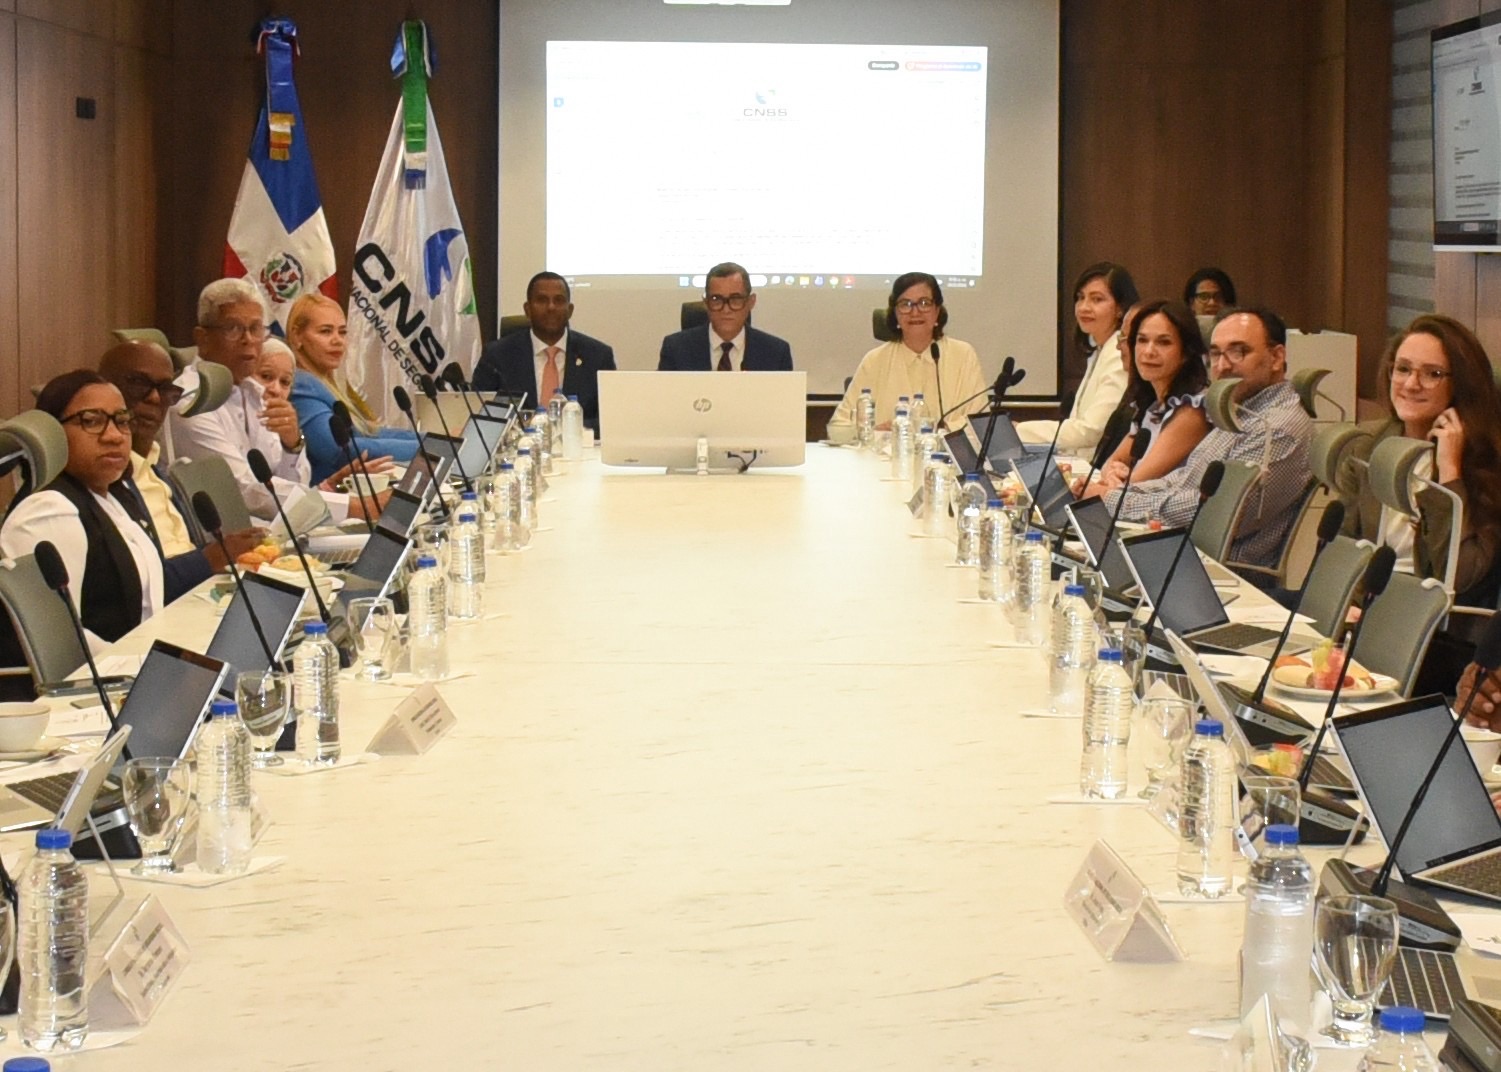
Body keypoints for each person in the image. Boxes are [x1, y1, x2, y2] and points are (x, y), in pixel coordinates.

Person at [1101, 306, 1313, 570]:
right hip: (1184, 556)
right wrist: (1121, 494)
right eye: (1216, 354)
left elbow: (1214, 512)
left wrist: (1114, 501)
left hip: (1216, 573)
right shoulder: (1240, 412)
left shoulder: (1277, 428)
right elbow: (1183, 480)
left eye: (1238, 351)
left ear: (1277, 357)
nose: (1223, 366)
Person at [170, 279, 380, 526]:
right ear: (202, 338)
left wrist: (293, 445)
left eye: (256, 328)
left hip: (279, 530)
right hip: (229, 540)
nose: (248, 340)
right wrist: (354, 507)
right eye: (233, 329)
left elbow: (290, 483)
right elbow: (245, 490)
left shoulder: (254, 391)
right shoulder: (191, 402)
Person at [1335, 314, 1501, 607]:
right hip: (1365, 610)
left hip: (1431, 621)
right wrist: (1347, 604)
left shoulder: (1486, 462)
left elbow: (1459, 578)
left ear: (1461, 384)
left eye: (1432, 374)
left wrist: (1450, 473)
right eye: (1402, 369)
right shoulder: (1367, 447)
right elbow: (1342, 547)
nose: (1411, 384)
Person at [1, 371, 163, 650]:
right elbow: (60, 641)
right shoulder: (49, 510)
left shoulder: (115, 496)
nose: (114, 436)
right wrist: (143, 665)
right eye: (91, 421)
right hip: (101, 673)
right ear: (54, 433)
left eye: (121, 420)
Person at [97, 339, 263, 601]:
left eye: (165, 389)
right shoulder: (105, 482)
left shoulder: (157, 471)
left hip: (202, 596)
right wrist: (210, 558)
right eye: (138, 383)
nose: (154, 398)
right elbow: (132, 589)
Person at [827, 272, 989, 436]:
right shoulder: (875, 360)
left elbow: (981, 423)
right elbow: (839, 426)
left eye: (924, 303)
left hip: (943, 452)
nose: (915, 312)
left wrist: (937, 430)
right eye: (905, 304)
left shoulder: (963, 355)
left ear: (937, 311)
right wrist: (873, 433)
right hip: (886, 452)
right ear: (895, 313)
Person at [1079, 300, 1209, 495]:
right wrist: (1113, 474)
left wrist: (1096, 489)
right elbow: (1112, 463)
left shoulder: (1192, 411)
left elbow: (1135, 486)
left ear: (1186, 353)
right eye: (1142, 340)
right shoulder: (1154, 405)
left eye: (1163, 342)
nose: (1148, 351)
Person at [287, 293, 418, 485]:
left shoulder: (325, 383)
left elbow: (369, 432)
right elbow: (338, 449)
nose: (337, 340)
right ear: (297, 336)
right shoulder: (301, 385)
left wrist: (434, 441)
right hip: (329, 497)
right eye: (325, 331)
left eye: (342, 332)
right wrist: (424, 449)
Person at [1015, 262, 1138, 452]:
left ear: (1120, 308)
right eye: (1080, 298)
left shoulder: (1118, 354)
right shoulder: (1099, 350)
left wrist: (1019, 430)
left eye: (1097, 299)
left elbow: (1091, 430)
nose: (1084, 307)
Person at [472, 272, 617, 431]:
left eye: (558, 300)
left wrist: (565, 429)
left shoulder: (598, 357)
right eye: (542, 300)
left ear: (570, 310)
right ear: (527, 309)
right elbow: (480, 416)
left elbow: (611, 418)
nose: (551, 307)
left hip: (577, 445)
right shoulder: (497, 356)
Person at [658, 262, 793, 372]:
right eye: (716, 299)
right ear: (706, 303)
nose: (726, 309)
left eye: (735, 299)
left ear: (751, 302)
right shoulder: (676, 349)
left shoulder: (776, 353)